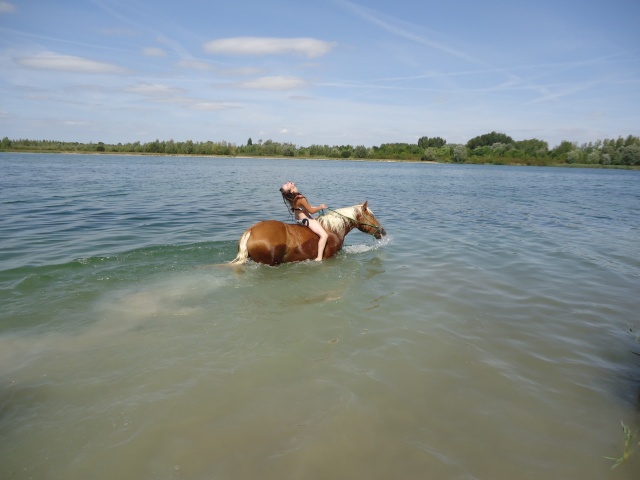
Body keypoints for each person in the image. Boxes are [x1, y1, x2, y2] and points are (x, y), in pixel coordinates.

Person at [280, 181, 329, 261]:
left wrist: (313, 207)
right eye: (287, 185)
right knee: (324, 235)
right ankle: (319, 258)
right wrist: (320, 207)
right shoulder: (300, 198)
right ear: (291, 191)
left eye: (286, 183)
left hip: (299, 220)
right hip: (306, 220)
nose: (287, 183)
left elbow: (302, 208)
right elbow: (311, 212)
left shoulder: (293, 198)